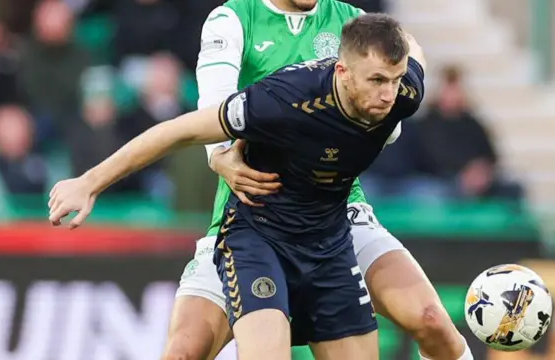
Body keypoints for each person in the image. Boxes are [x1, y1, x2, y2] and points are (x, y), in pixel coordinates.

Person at [48, 13, 424, 360]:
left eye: (395, 80)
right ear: (342, 71)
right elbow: (180, 131)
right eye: (376, 80)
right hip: (260, 236)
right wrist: (90, 181)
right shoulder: (283, 99)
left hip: (329, 242)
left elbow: (412, 55)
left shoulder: (403, 94)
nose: (389, 94)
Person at [170, 1, 475, 359]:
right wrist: (220, 154)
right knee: (184, 351)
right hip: (254, 214)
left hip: (339, 212)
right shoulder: (236, 18)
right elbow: (214, 106)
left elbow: (400, 70)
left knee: (431, 319)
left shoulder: (353, 20)